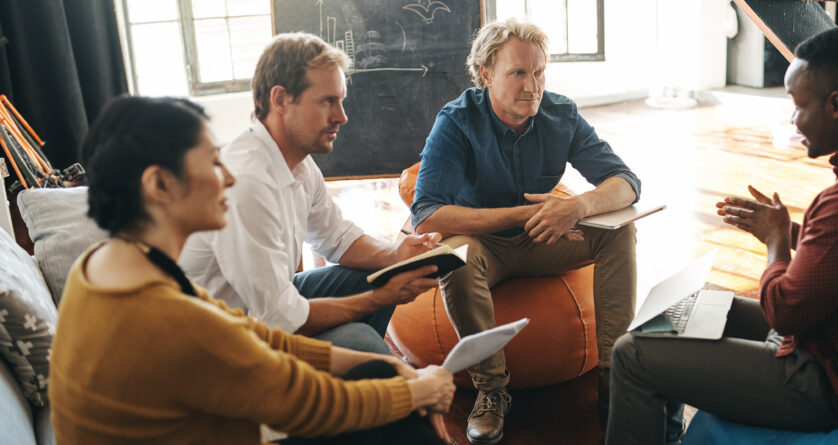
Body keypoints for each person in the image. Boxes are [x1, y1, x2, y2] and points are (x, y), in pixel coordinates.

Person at [605, 28, 838, 444]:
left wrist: (775, 241)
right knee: (675, 315)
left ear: (836, 104)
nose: (792, 120)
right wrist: (789, 230)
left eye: (797, 106)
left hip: (832, 381)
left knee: (631, 355)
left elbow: (782, 314)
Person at [49, 96, 456, 444]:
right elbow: (308, 404)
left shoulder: (106, 266)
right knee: (403, 411)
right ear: (159, 185)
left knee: (376, 372)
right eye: (212, 162)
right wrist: (420, 390)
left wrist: (394, 366)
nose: (228, 177)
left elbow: (250, 335)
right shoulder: (170, 319)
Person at [411, 18, 641, 444]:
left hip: (548, 238)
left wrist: (575, 207)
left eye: (539, 72)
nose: (532, 86)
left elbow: (626, 182)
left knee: (620, 232)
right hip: (483, 242)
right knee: (453, 260)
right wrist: (522, 215)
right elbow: (426, 214)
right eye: (518, 73)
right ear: (486, 74)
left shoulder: (561, 113)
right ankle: (491, 390)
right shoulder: (457, 120)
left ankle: (615, 375)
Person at [180, 33, 441, 355]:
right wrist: (383, 298)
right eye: (327, 101)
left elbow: (335, 236)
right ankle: (359, 372)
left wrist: (396, 254)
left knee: (383, 275)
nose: (342, 117)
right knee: (362, 342)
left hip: (267, 305)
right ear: (280, 100)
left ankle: (353, 380)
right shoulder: (247, 182)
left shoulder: (298, 163)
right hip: (219, 339)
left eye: (340, 101)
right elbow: (278, 318)